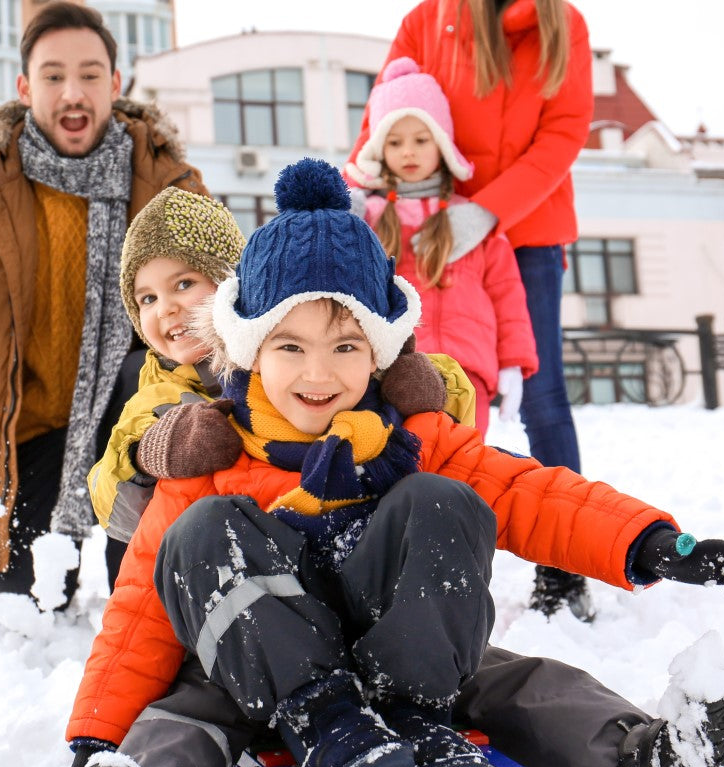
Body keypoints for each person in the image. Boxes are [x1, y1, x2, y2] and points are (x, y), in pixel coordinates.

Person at [60, 160, 724, 767]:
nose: (318, 373)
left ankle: (655, 754)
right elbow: (140, 611)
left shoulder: (409, 432)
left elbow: (532, 493)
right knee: (198, 637)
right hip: (270, 672)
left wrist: (654, 543)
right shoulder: (217, 448)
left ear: (377, 351)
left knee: (505, 654)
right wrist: (95, 739)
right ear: (249, 349)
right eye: (290, 347)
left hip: (406, 672)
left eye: (344, 346)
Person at [0, 2, 208, 615]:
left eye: (89, 74)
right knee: (4, 612)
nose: (72, 92)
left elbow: (221, 275)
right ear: (25, 87)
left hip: (139, 427)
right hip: (28, 431)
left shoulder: (165, 179)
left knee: (148, 607)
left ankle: (142, 572)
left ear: (115, 85)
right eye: (54, 76)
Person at [346, 0, 597, 621]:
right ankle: (388, 556)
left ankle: (564, 568)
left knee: (540, 397)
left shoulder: (560, 24)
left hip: (522, 227)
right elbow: (388, 107)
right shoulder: (428, 19)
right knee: (398, 394)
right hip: (418, 224)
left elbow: (564, 132)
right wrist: (360, 193)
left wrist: (486, 210)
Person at [88, 186, 476, 586]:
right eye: (146, 298)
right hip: (219, 579)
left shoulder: (299, 359)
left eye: (184, 284)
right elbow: (114, 511)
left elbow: (454, 435)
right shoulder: (156, 400)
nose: (165, 307)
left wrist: (428, 387)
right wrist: (146, 456)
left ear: (230, 288)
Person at [351, 57, 537, 435]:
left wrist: (512, 362)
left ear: (442, 145)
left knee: (464, 469)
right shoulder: (367, 215)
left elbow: (506, 292)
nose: (408, 152)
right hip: (394, 370)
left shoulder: (472, 219)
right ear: (379, 148)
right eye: (395, 141)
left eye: (422, 140)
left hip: (468, 372)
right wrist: (344, 208)